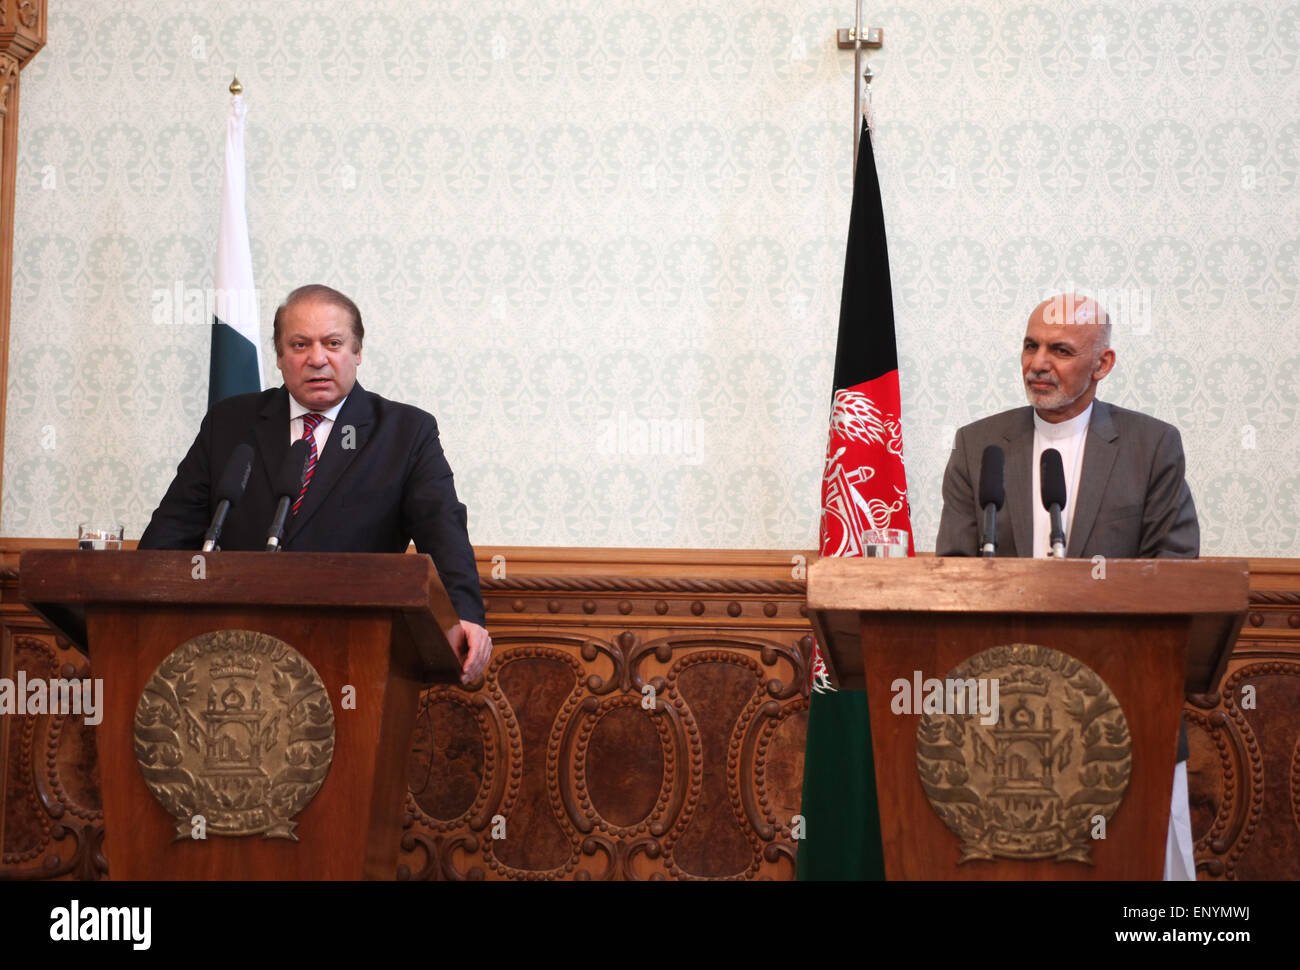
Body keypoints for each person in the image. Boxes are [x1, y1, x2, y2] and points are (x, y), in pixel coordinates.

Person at [935, 293, 1199, 880]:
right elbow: (949, 572)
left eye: (1060, 350)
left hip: (1122, 718)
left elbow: (1176, 572)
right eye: (1031, 345)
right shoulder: (980, 445)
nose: (1038, 362)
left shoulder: (1151, 446)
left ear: (1102, 365)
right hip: (998, 725)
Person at [139, 283, 491, 685]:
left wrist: (464, 615)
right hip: (228, 656)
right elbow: (169, 534)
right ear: (280, 356)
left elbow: (442, 527)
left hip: (353, 656)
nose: (317, 359)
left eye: (334, 343)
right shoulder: (230, 424)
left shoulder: (405, 432)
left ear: (357, 352)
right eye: (300, 344)